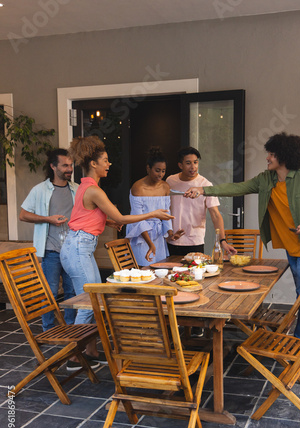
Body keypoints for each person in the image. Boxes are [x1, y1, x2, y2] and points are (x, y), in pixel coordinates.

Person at [185, 132, 300, 347]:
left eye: (271, 154)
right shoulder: (266, 180)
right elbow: (237, 188)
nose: (267, 158)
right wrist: (203, 190)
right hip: (291, 248)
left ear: (283, 156)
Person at [60, 136, 174, 369]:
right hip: (78, 248)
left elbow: (83, 216)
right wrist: (153, 214)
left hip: (80, 246)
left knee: (93, 298)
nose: (109, 164)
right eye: (105, 160)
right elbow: (121, 216)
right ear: (94, 164)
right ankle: (73, 355)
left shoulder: (87, 187)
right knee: (87, 302)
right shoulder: (93, 190)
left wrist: (107, 223)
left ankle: (90, 350)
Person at [20, 148, 77, 333]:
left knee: (72, 293)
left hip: (72, 251)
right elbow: (23, 215)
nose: (70, 169)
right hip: (50, 251)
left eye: (71, 165)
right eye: (65, 165)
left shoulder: (76, 189)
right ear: (53, 166)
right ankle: (48, 330)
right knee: (49, 293)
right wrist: (48, 219)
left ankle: (71, 330)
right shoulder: (40, 190)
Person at [166, 146, 236, 257]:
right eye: (188, 163)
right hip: (172, 239)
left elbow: (216, 215)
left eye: (195, 162)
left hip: (195, 240)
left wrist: (223, 240)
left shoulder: (206, 185)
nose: (193, 167)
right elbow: (165, 209)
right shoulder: (170, 181)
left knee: (195, 273)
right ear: (180, 165)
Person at [126, 146, 184, 266]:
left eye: (163, 171)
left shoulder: (165, 187)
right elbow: (138, 220)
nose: (161, 174)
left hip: (157, 235)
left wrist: (171, 234)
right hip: (141, 235)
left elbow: (166, 214)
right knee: (143, 269)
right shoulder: (138, 188)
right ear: (148, 168)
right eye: (157, 170)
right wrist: (149, 243)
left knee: (159, 269)